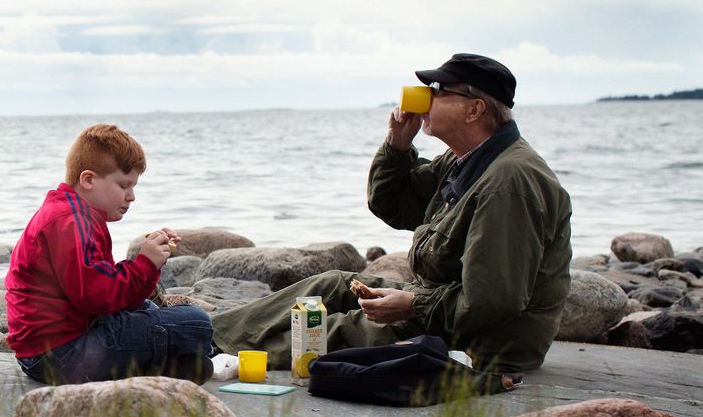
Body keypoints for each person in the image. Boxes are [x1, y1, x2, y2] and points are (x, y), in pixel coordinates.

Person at [212, 53, 572, 375]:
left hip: (485, 343)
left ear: (474, 109)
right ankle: (208, 335)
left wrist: (413, 304)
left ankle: (202, 351)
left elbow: (491, 303)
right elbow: (393, 206)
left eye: (438, 90)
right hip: (446, 312)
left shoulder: (509, 182)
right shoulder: (467, 161)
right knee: (331, 285)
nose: (425, 97)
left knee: (331, 330)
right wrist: (398, 145)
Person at [6, 123, 215, 384]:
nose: (132, 196)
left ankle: (162, 367)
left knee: (150, 308)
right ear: (88, 180)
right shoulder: (70, 221)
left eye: (133, 187)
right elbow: (97, 297)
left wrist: (151, 264)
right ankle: (161, 365)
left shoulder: (76, 214)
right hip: (60, 354)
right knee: (195, 322)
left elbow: (114, 297)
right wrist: (143, 263)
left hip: (53, 349)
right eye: (124, 185)